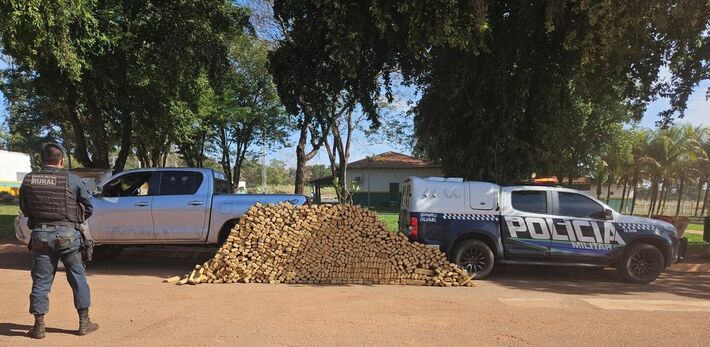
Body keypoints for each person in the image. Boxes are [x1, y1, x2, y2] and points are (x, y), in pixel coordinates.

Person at [18, 143, 99, 339]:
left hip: (40, 236)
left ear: (42, 160)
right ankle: (83, 322)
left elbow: (25, 209)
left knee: (41, 281)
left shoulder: (28, 180)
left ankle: (38, 327)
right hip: (68, 237)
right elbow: (88, 207)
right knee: (77, 278)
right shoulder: (71, 180)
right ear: (61, 160)